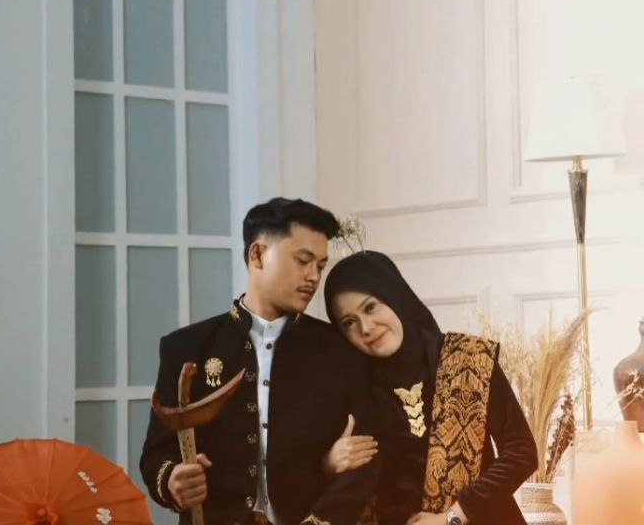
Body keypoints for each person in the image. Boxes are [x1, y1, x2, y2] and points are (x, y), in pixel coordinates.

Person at [140, 198, 377, 525]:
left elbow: (366, 460)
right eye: (303, 261)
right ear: (258, 255)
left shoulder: (339, 351)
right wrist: (172, 481)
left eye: (320, 266)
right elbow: (156, 455)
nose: (313, 277)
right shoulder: (188, 347)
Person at [322, 250, 537, 525]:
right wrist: (329, 465)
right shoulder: (353, 390)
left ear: (394, 296)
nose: (365, 328)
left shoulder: (468, 358)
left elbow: (522, 452)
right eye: (349, 323)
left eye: (371, 307)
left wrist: (452, 517)